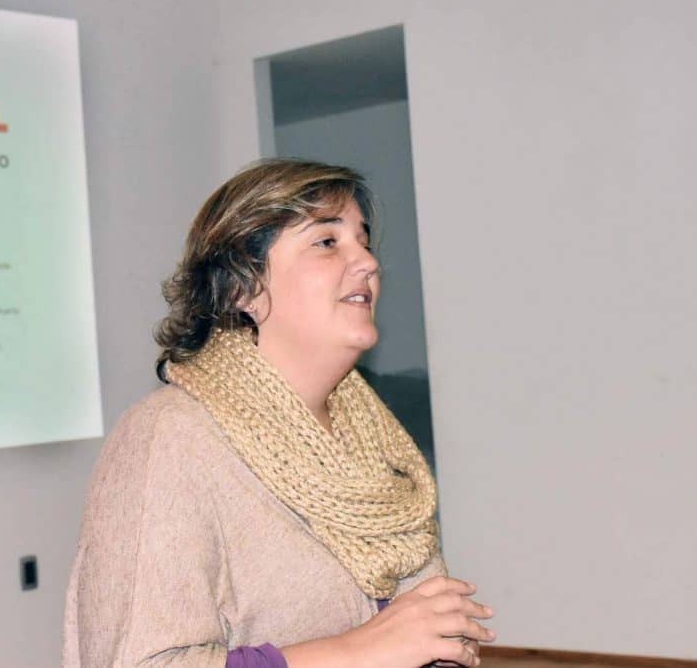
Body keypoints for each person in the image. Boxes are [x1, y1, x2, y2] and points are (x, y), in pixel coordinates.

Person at [63, 159, 495, 667]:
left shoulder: (373, 438)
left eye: (364, 241)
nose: (367, 262)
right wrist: (359, 651)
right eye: (327, 242)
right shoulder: (169, 438)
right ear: (242, 287)